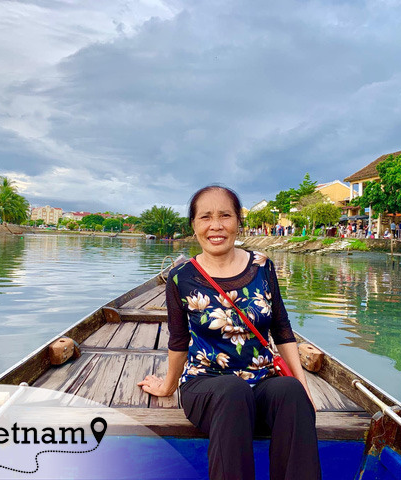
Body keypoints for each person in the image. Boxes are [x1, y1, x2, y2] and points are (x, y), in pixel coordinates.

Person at [138, 185, 321, 480]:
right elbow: (178, 340)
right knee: (232, 391)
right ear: (194, 226)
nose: (216, 225)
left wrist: (303, 388)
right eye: (205, 217)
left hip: (261, 382)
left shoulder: (263, 266)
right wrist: (168, 386)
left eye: (225, 215)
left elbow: (282, 329)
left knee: (291, 393)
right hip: (207, 387)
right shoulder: (181, 278)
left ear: (238, 222)